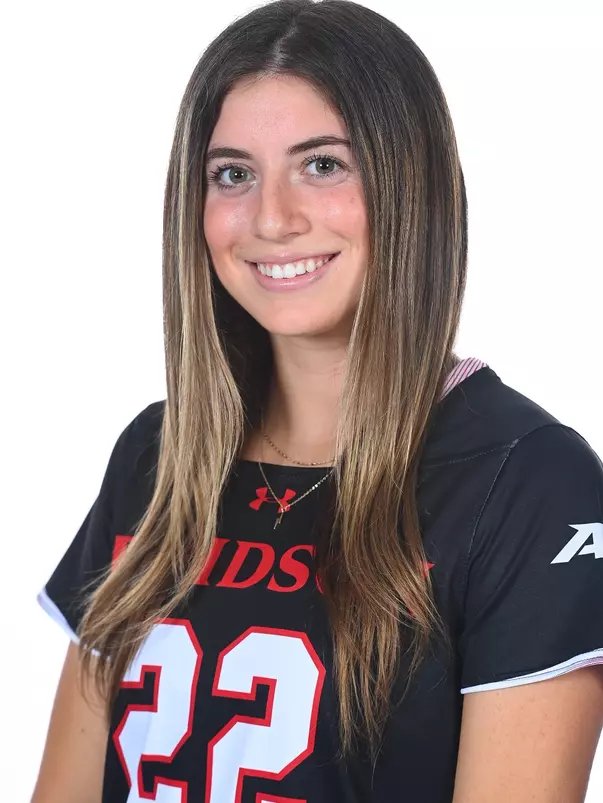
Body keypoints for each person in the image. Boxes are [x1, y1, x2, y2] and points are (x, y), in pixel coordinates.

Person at [32, 1, 603, 801]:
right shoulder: (155, 457)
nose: (272, 218)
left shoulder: (527, 480)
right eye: (233, 174)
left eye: (323, 165)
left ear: (410, 184)